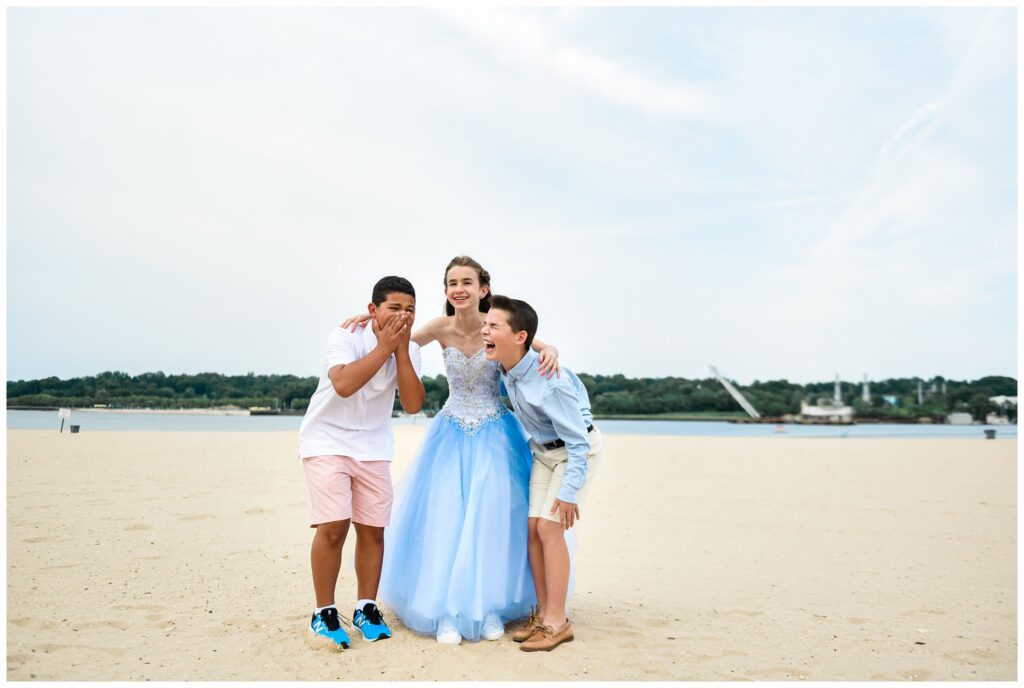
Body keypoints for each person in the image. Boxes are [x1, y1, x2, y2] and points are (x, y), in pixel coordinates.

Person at [340, 256, 561, 644]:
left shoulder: (498, 323)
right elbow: (397, 338)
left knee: (491, 519)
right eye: (452, 283)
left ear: (483, 289)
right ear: (446, 291)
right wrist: (371, 316)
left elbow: (531, 340)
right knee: (446, 516)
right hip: (451, 430)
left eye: (467, 282)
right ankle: (446, 611)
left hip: (495, 432)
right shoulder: (439, 327)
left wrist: (550, 348)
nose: (459, 289)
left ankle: (487, 606)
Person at [298, 276, 425, 650]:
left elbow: (414, 404)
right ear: (373, 310)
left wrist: (400, 352)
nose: (403, 316)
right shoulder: (346, 336)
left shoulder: (411, 348)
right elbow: (343, 384)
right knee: (334, 526)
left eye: (410, 310)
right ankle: (323, 613)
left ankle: (366, 608)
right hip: (326, 440)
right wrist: (384, 346)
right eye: (394, 308)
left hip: (373, 446)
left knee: (373, 529)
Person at [482, 295, 604, 653]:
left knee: (551, 529)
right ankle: (541, 614)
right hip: (542, 453)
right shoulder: (507, 366)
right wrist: (547, 342)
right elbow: (519, 330)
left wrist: (569, 491)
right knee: (532, 529)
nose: (484, 331)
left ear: (519, 337)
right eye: (485, 325)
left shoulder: (549, 379)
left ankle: (557, 622)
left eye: (492, 327)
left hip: (574, 453)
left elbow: (579, 442)